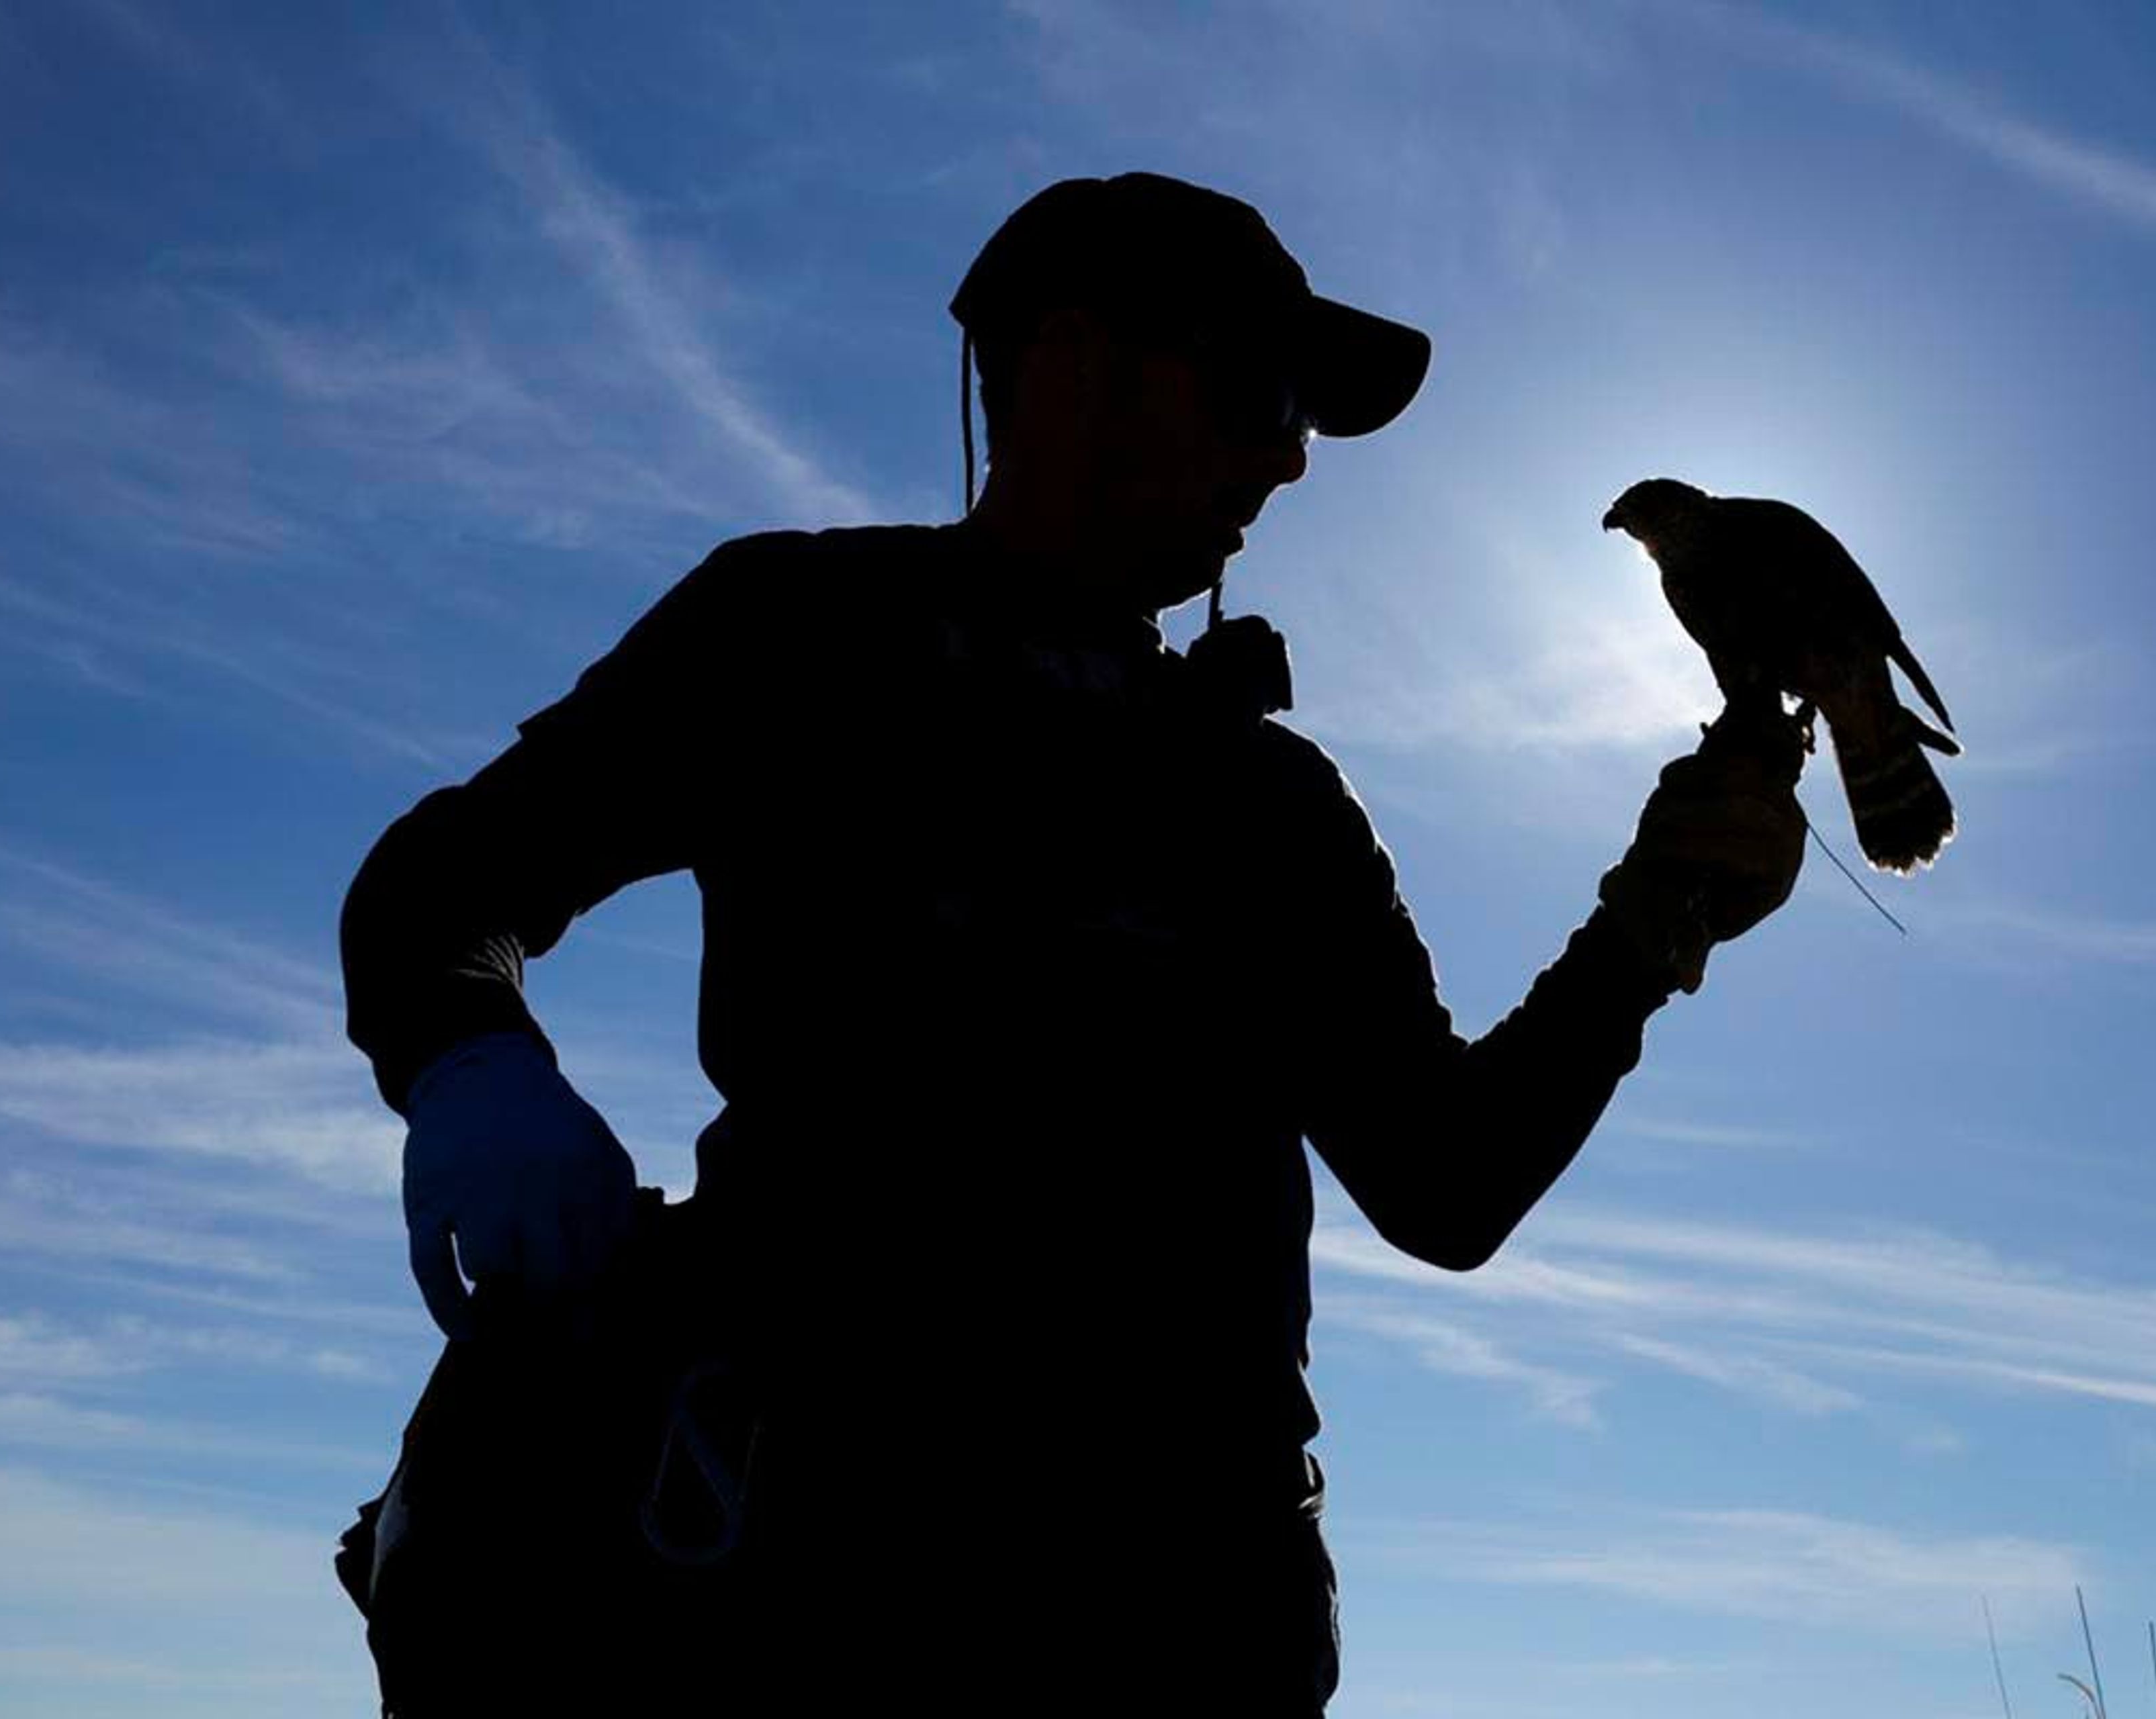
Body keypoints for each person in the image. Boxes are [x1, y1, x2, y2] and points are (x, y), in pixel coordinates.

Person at [336, 171, 1805, 1716]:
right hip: (806, 1600)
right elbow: (446, 881)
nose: (1293, 456)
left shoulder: (1271, 799)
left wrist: (1651, 923)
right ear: (1074, 365)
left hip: (1185, 1621)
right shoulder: (795, 632)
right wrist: (472, 1061)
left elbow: (1448, 1182)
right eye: (1257, 389)